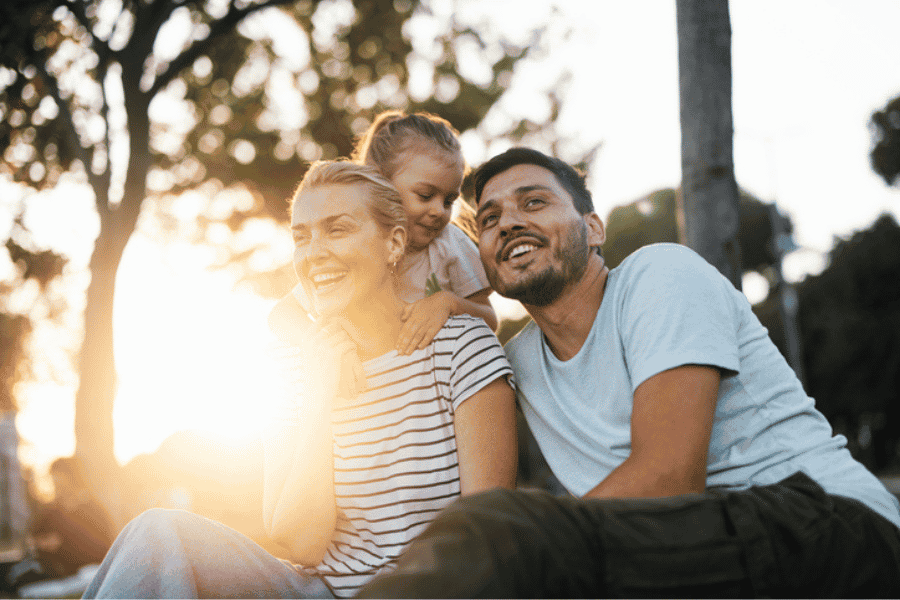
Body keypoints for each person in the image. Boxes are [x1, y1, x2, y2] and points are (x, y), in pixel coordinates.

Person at [357, 147, 900, 598]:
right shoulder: (515, 359)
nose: (510, 222)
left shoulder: (659, 274)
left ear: (593, 228)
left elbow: (669, 477)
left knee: (502, 534)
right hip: (687, 555)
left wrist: (529, 541)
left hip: (831, 525)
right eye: (490, 219)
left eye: (535, 202)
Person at [82, 160, 517, 599]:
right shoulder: (290, 368)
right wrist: (319, 387)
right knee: (158, 534)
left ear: (394, 242)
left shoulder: (462, 347)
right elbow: (302, 542)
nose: (314, 253)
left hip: (433, 591)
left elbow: (486, 534)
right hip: (317, 591)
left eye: (337, 230)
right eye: (301, 237)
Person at [271, 111, 497, 356]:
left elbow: (489, 320)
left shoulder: (449, 243)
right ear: (381, 183)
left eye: (449, 200)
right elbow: (282, 315)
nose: (438, 211)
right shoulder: (346, 261)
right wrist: (321, 347)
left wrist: (448, 303)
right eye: (425, 195)